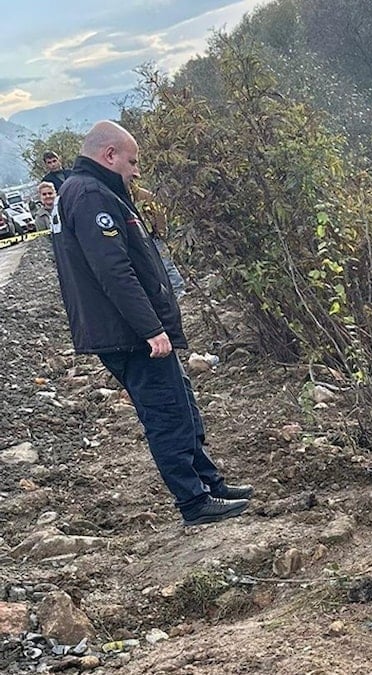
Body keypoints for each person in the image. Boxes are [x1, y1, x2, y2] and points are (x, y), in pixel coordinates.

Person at [50, 120, 252, 527]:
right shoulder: (90, 195)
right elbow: (114, 271)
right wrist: (150, 328)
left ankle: (209, 483)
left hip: (126, 331)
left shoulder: (87, 190)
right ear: (109, 155)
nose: (136, 171)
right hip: (128, 335)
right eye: (132, 160)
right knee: (167, 415)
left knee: (182, 405)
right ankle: (194, 503)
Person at [132, 185, 186, 297]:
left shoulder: (144, 195)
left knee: (166, 263)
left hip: (153, 235)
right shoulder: (120, 197)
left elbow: (159, 213)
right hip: (137, 239)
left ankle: (179, 290)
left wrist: (161, 231)